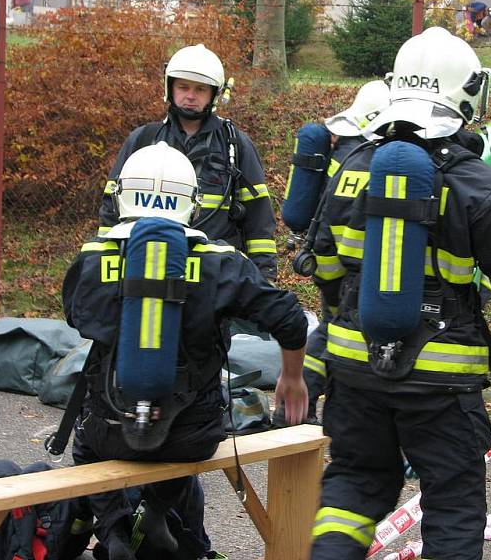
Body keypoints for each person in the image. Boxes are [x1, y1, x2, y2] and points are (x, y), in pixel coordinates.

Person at [308, 26, 491, 560]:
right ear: (467, 92)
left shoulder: (351, 168)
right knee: (452, 502)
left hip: (356, 367)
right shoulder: (475, 181)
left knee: (354, 485)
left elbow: (325, 265)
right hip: (442, 381)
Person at [64, 142, 308, 560]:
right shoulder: (220, 261)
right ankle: (157, 510)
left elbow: (75, 316)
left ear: (122, 195)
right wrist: (291, 376)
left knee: (83, 445)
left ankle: (113, 530)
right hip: (192, 435)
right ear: (192, 203)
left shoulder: (92, 256)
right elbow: (290, 317)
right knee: (196, 423)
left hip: (110, 432)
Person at [99, 43, 278, 283]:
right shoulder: (143, 140)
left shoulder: (235, 145)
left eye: (200, 89)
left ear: (214, 93)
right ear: (170, 88)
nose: (190, 96)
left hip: (216, 277)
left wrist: (264, 279)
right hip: (149, 269)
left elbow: (259, 220)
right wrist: (106, 262)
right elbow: (111, 209)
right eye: (183, 87)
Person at [276, 79, 391, 427]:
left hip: (331, 268)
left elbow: (323, 229)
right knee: (341, 333)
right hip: (362, 274)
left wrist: (330, 285)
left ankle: (290, 414)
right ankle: (300, 413)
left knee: (331, 330)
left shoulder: (344, 154)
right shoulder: (374, 161)